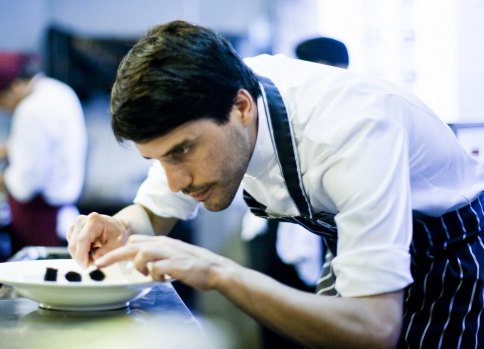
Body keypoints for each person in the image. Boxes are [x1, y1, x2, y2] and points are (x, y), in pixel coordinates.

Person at [66, 20, 484, 348]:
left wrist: (218, 271)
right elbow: (152, 214)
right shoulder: (214, 101)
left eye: (181, 152)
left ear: (242, 108)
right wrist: (120, 227)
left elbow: (374, 329)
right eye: (157, 159)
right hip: (356, 243)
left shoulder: (351, 131)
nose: (174, 181)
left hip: (449, 255)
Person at [240, 35, 349, 349]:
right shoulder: (276, 99)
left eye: (340, 72)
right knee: (276, 323)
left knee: (318, 320)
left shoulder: (346, 114)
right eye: (327, 71)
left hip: (322, 229)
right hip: (269, 230)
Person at [0, 51, 87, 256]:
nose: (2, 109)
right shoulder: (58, 91)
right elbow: (44, 146)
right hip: (61, 218)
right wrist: (3, 150)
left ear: (16, 85)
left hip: (41, 222)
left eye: (0, 100)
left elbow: (26, 184)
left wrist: (0, 178)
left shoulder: (30, 110)